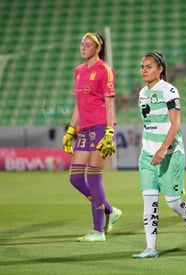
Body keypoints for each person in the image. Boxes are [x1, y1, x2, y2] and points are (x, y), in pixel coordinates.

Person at [132, 51, 186, 258]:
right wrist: (151, 150)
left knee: (173, 202)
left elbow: (175, 125)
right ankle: (150, 248)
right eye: (142, 67)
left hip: (170, 154)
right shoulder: (141, 94)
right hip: (147, 156)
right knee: (149, 202)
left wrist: (162, 149)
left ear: (160, 69)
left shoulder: (169, 90)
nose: (144, 70)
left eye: (149, 66)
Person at [62, 32, 122, 242]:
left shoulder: (105, 70)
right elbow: (79, 104)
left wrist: (109, 130)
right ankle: (110, 210)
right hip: (84, 130)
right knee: (76, 178)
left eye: (88, 45)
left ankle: (98, 231)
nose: (83, 47)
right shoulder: (78, 71)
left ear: (98, 48)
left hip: (99, 128)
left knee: (94, 178)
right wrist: (71, 129)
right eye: (82, 44)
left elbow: (110, 103)